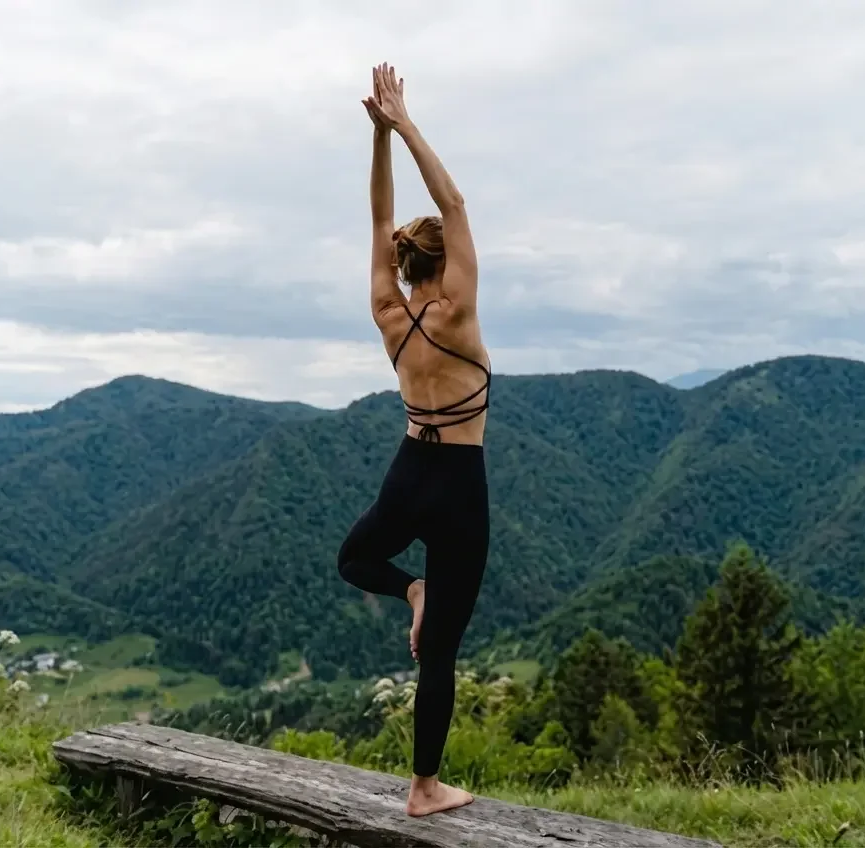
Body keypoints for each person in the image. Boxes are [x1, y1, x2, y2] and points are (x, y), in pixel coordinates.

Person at [336, 62, 491, 818]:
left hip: (408, 471)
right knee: (441, 654)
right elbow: (454, 200)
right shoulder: (458, 313)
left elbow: (376, 219)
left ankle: (410, 590)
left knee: (355, 558)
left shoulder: (388, 315)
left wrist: (377, 140)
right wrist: (402, 123)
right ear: (444, 261)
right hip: (460, 483)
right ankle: (424, 788)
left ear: (404, 265)